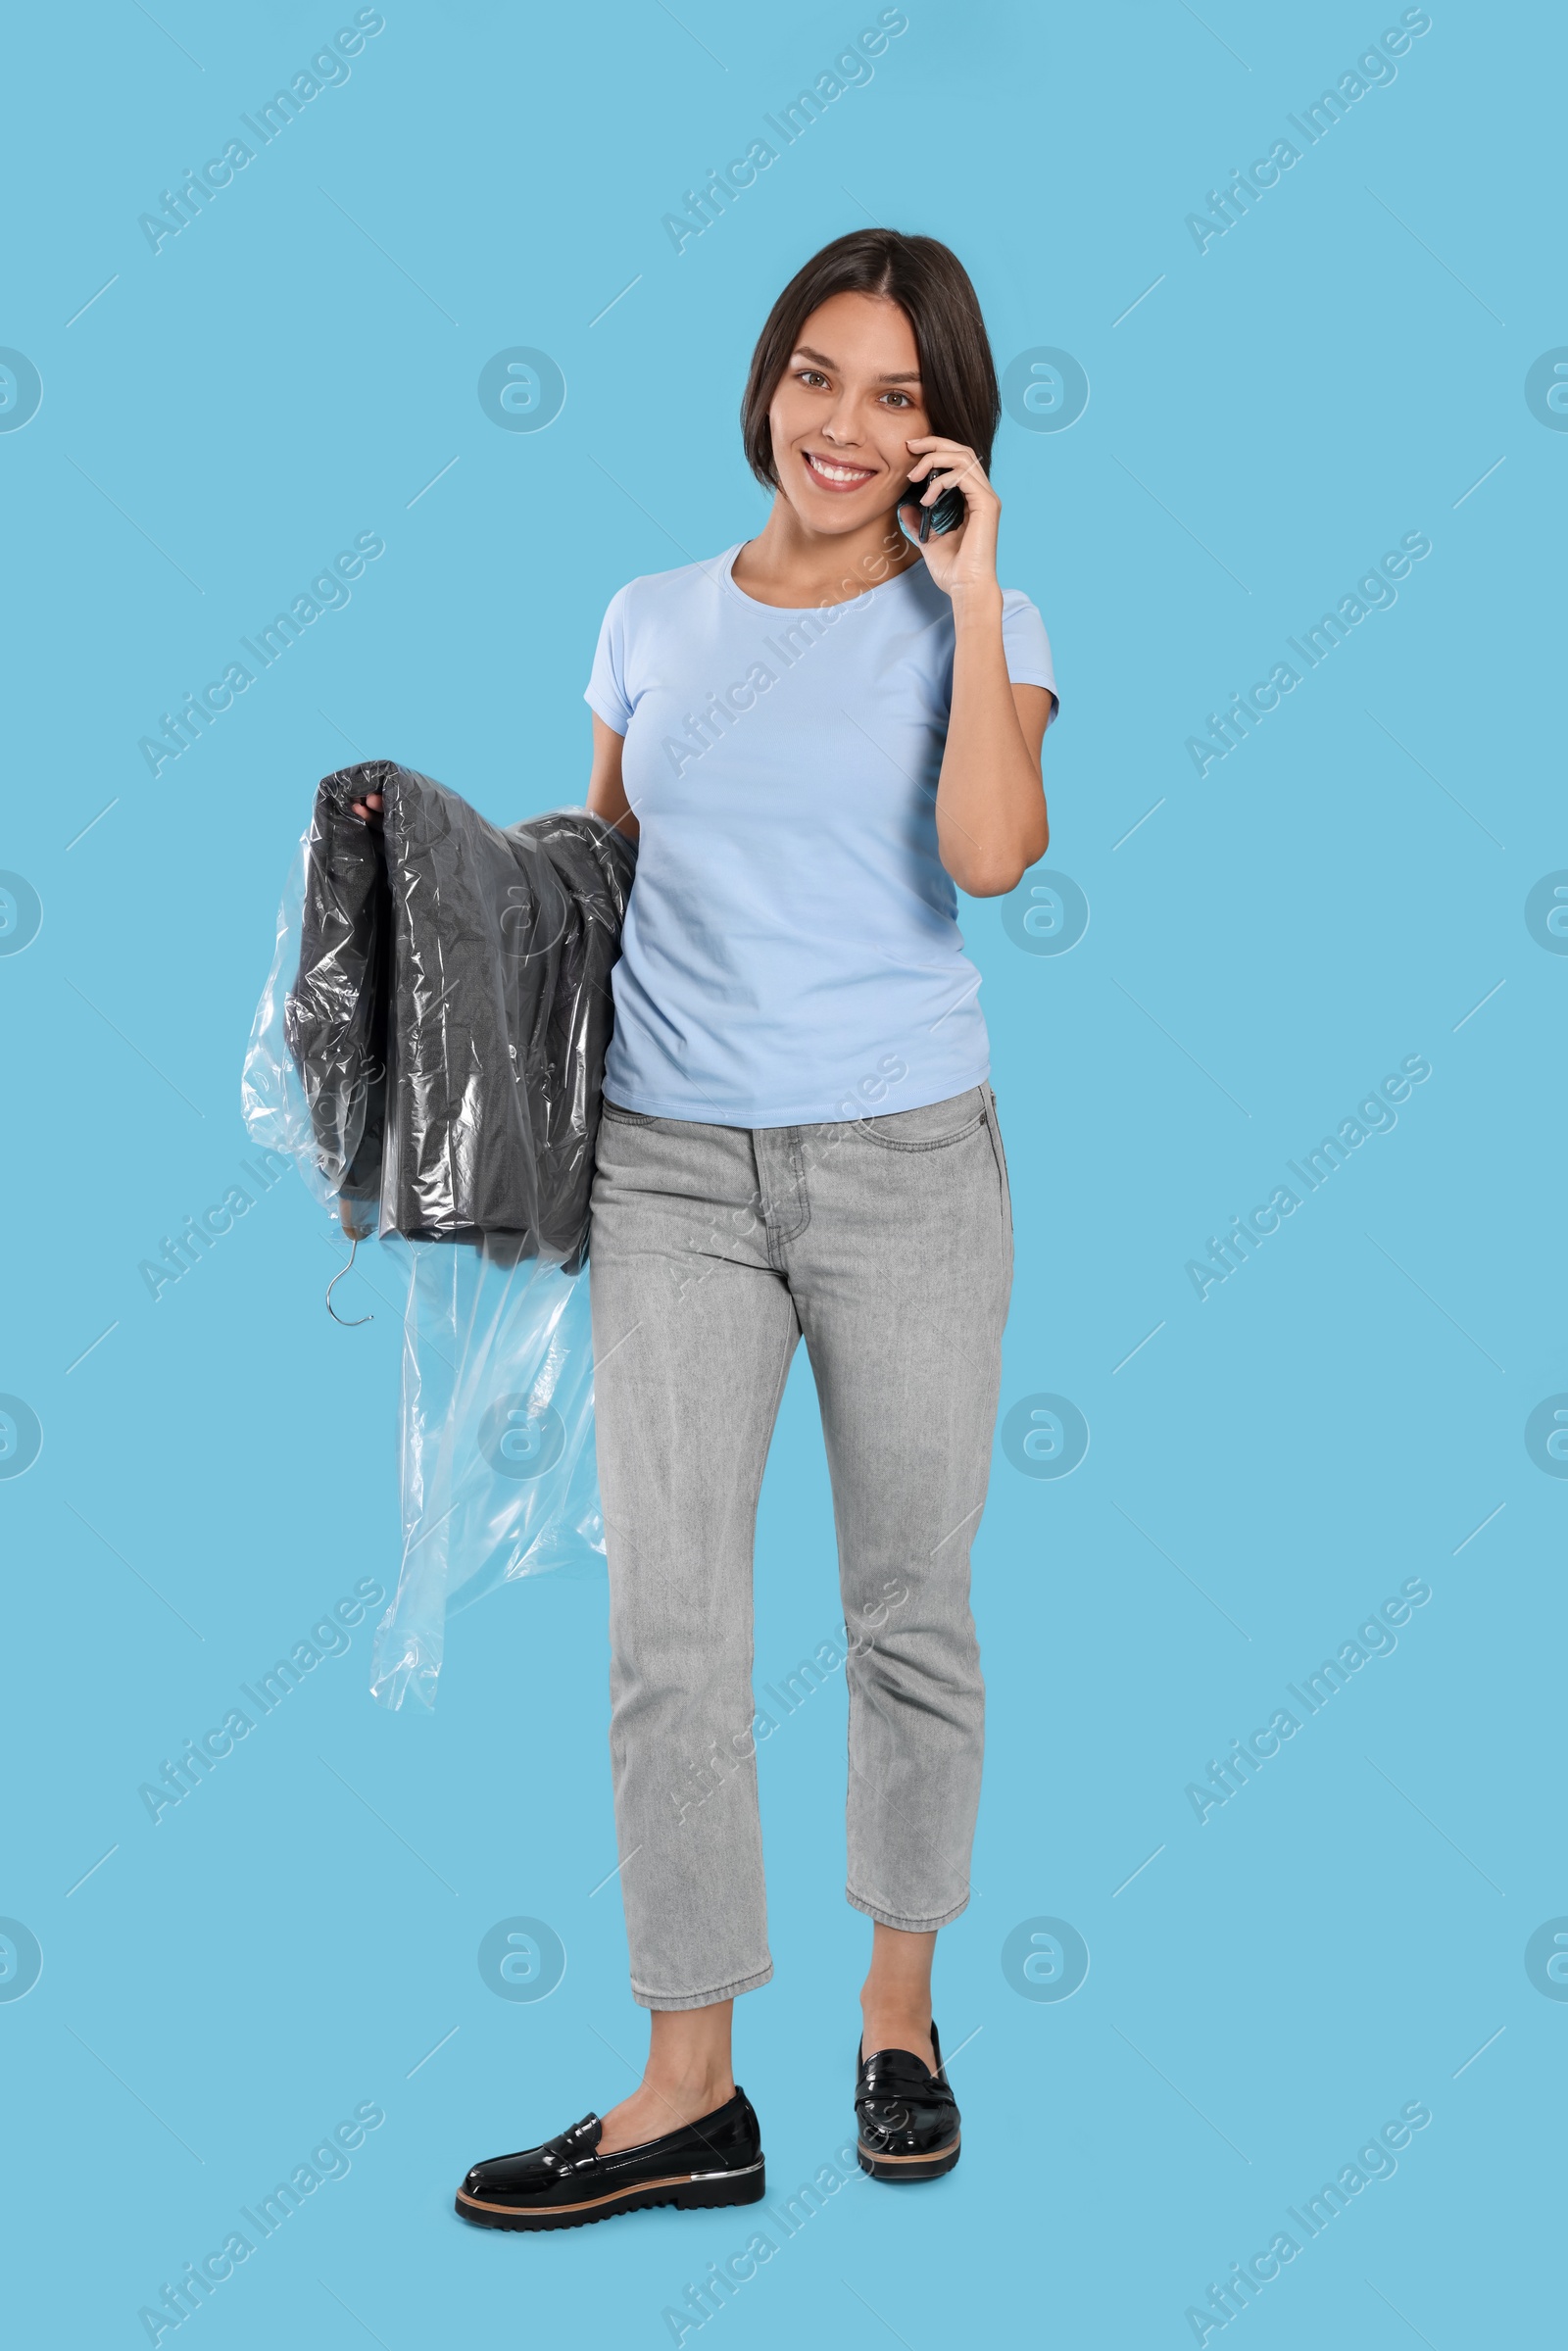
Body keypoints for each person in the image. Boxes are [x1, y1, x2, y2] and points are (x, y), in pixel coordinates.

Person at [455, 227, 1056, 2232]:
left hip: (901, 1163)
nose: (844, 425)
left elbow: (986, 853)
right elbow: (598, 880)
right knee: (669, 1637)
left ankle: (896, 2021)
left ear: (943, 429)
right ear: (766, 383)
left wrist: (965, 595)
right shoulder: (647, 618)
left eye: (896, 396)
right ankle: (685, 2090)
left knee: (907, 1604)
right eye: (819, 375)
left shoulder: (984, 615)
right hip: (674, 1176)